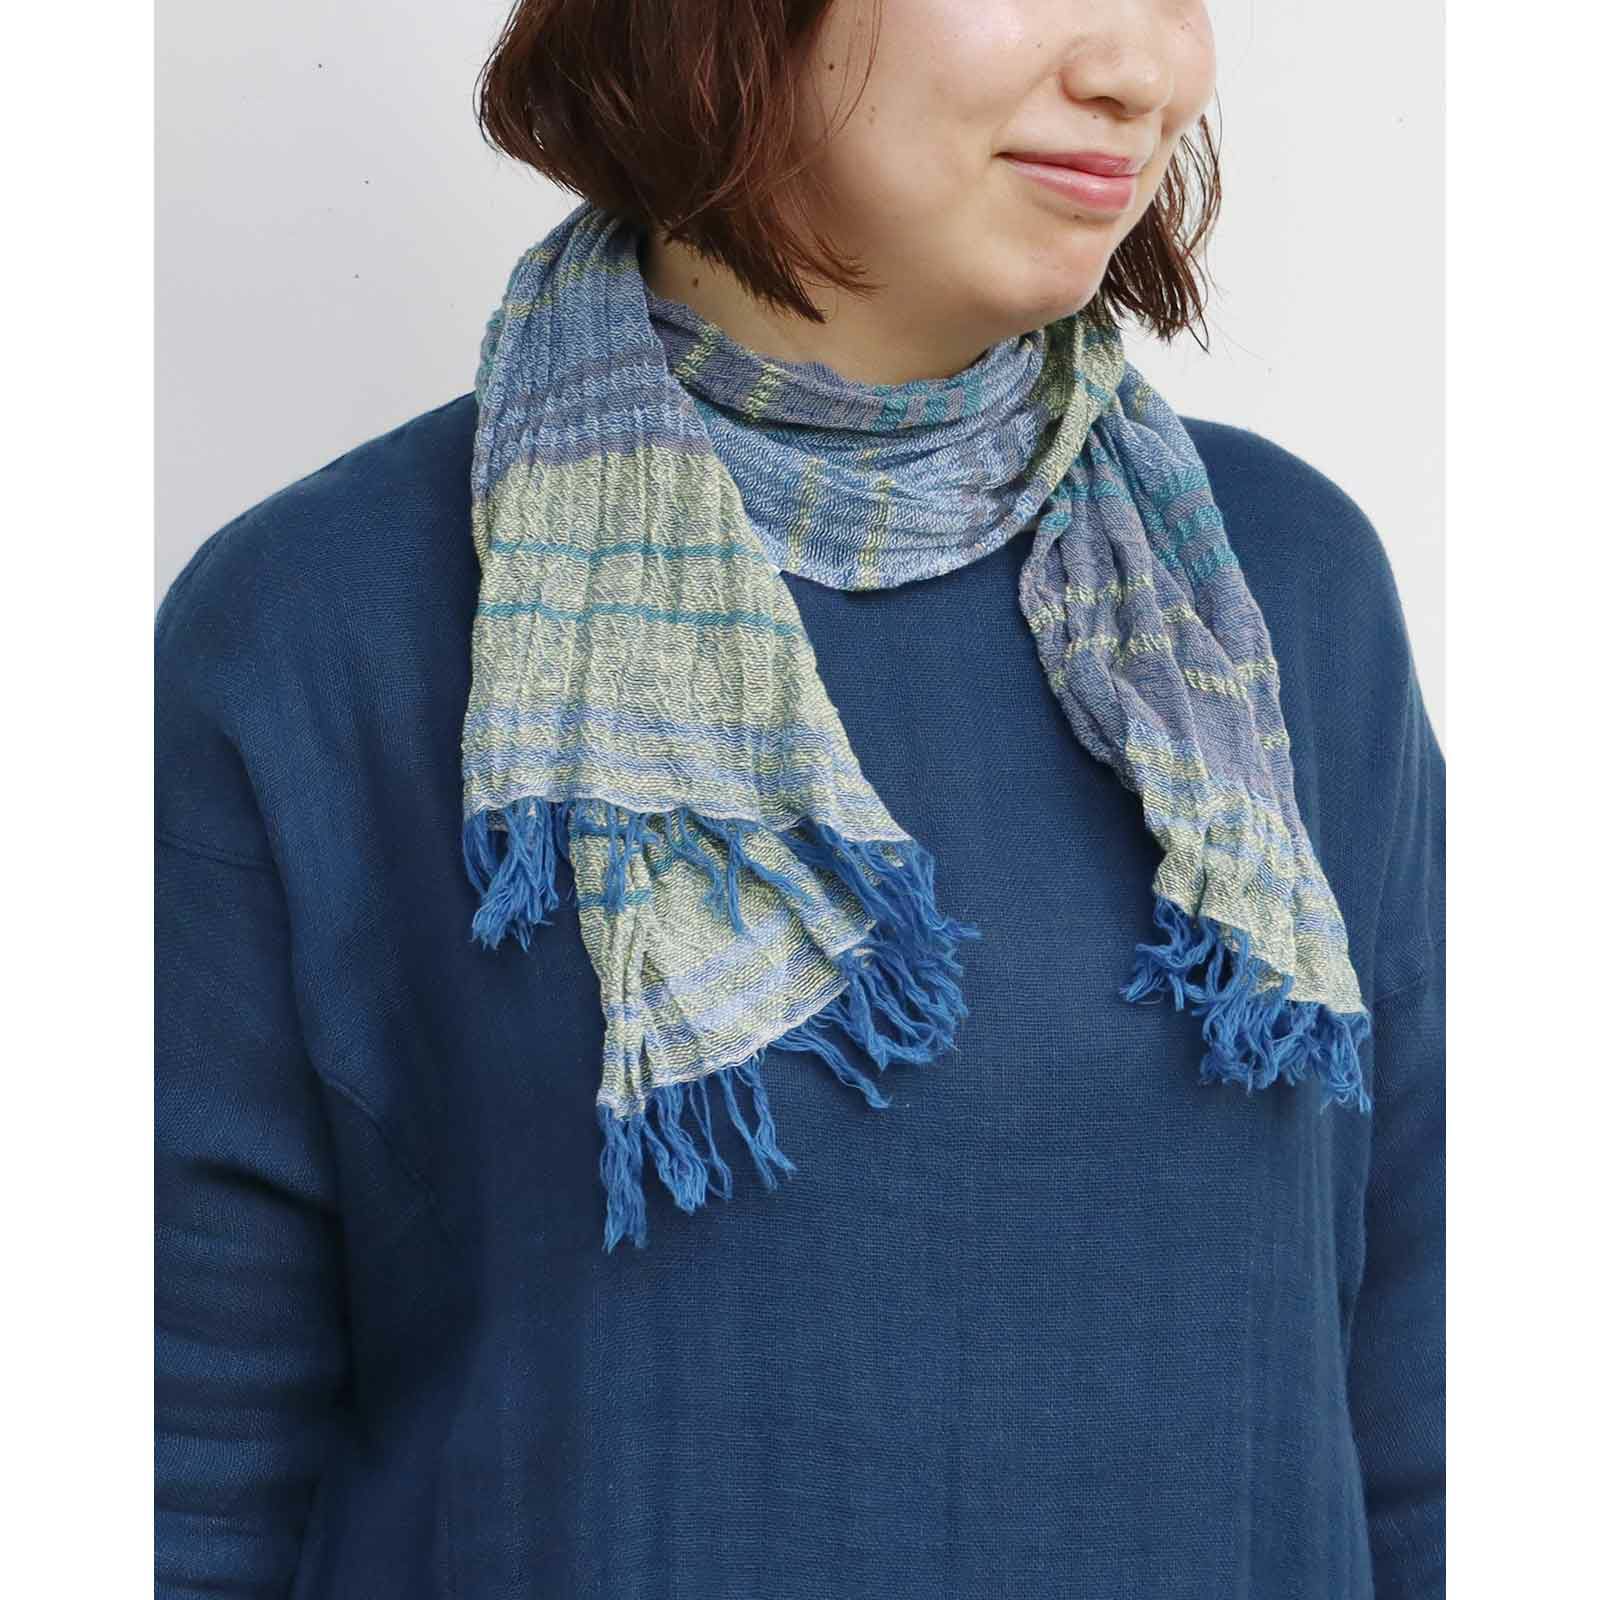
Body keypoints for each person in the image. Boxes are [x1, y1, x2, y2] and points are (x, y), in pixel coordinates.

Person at [155, 2, 1444, 1595]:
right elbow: (180, 1472)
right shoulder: (322, 625)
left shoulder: (1271, 606)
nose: (1144, 69)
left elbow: (1431, 1399)